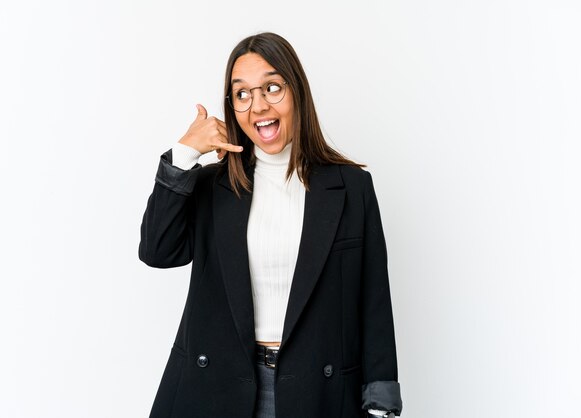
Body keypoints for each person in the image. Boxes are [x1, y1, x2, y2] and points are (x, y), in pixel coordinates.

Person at [138, 32, 402, 418]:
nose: (258, 106)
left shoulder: (350, 186)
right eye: (242, 94)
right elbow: (158, 251)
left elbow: (373, 297)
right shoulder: (214, 185)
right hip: (218, 388)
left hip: (317, 390)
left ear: (296, 91)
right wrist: (185, 153)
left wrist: (381, 401)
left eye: (272, 88)